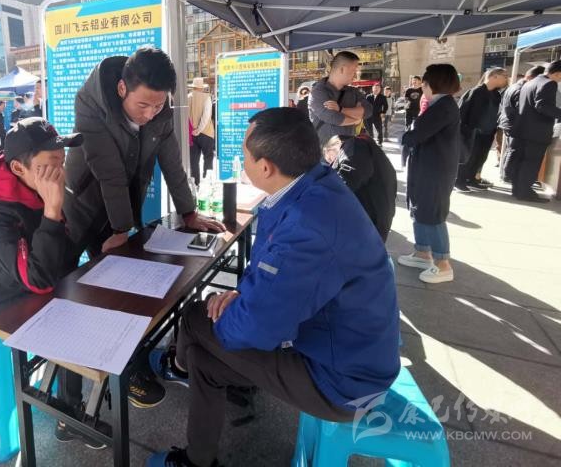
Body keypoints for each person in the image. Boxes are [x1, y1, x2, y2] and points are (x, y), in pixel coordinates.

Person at [148, 107, 400, 467]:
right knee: (206, 357)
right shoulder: (314, 187)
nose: (241, 158)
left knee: (194, 317)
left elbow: (257, 328)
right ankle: (198, 457)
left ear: (265, 167)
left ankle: (178, 366)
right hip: (339, 348)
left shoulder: (307, 227)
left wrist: (231, 307)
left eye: (245, 153)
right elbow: (275, 277)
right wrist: (242, 297)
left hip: (341, 380)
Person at [63, 47, 225, 409]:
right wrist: (122, 229)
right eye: (143, 106)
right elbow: (108, 171)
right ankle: (69, 405)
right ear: (122, 88)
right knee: (71, 294)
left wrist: (189, 212)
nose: (151, 113)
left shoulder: (160, 110)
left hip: (123, 204)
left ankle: (129, 367)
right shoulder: (90, 102)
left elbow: (172, 162)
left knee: (127, 289)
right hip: (83, 207)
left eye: (158, 105)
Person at [0, 117, 104, 447]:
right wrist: (53, 211)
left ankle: (75, 394)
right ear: (18, 168)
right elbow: (38, 279)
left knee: (94, 299)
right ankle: (69, 415)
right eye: (50, 165)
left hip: (30, 283)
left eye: (61, 162)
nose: (58, 172)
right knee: (75, 322)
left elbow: (63, 254)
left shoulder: (36, 185)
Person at [398, 63, 461, 284]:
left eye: (424, 83)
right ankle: (422, 252)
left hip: (436, 169)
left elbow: (416, 135)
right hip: (427, 166)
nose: (422, 87)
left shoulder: (443, 107)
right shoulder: (440, 104)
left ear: (431, 83)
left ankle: (443, 263)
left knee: (433, 213)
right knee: (420, 208)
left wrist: (405, 136)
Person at [322, 133, 397, 241]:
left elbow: (349, 178)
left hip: (370, 221)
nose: (332, 163)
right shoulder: (366, 148)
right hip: (375, 217)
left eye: (330, 158)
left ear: (335, 144)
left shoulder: (355, 145)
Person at [510, 60, 561, 203]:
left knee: (521, 161)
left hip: (522, 131)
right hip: (536, 133)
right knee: (531, 163)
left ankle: (518, 190)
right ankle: (525, 193)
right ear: (558, 73)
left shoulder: (530, 82)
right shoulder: (550, 84)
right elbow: (543, 106)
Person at [456, 68, 509, 191]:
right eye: (504, 76)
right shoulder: (475, 92)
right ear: (494, 76)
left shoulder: (496, 95)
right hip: (473, 132)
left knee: (480, 157)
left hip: (488, 132)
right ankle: (459, 181)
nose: (506, 79)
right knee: (468, 157)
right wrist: (465, 130)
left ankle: (471, 179)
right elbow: (462, 112)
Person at [308, 51, 372, 145]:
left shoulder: (353, 92)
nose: (356, 76)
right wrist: (356, 119)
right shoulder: (317, 92)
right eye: (354, 71)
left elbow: (368, 110)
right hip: (323, 151)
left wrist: (341, 109)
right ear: (342, 69)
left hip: (348, 149)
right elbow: (334, 118)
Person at [499, 65, 545, 183]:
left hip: (509, 122)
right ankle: (508, 176)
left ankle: (507, 175)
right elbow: (521, 109)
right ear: (532, 77)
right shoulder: (521, 89)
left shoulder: (515, 86)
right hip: (515, 123)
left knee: (512, 149)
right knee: (514, 150)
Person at [188, 77, 215, 186]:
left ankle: (196, 184)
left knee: (193, 160)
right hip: (206, 133)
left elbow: (186, 116)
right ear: (201, 87)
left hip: (192, 134)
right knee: (208, 157)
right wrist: (199, 130)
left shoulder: (188, 97)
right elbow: (206, 116)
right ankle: (207, 183)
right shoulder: (206, 98)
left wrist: (194, 130)